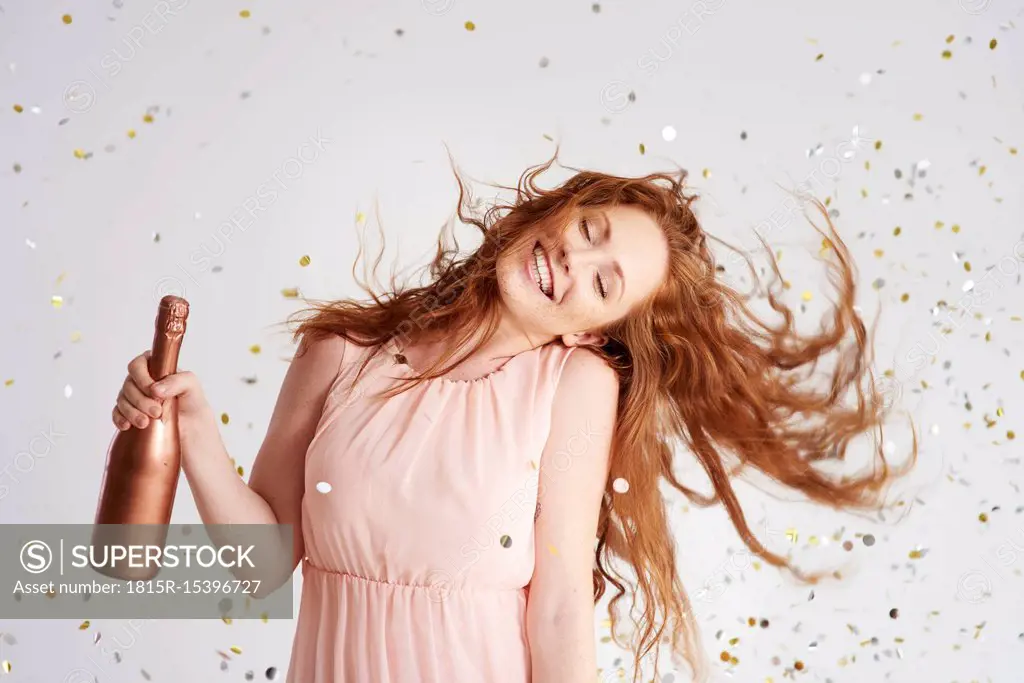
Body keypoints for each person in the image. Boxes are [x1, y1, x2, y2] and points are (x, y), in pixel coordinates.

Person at [111, 152, 915, 683]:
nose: (577, 261)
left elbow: (560, 603)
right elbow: (261, 566)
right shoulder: (340, 352)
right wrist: (192, 432)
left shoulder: (573, 387)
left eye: (606, 282)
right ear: (552, 215)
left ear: (591, 329)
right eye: (589, 231)